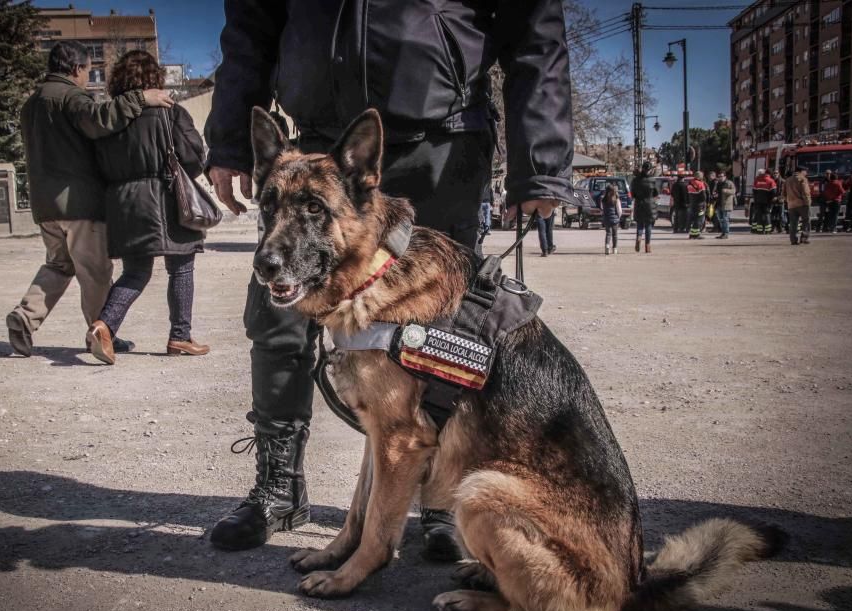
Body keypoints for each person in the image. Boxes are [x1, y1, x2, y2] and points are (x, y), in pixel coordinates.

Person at [204, 0, 575, 556]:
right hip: (322, 141)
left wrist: (541, 159)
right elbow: (250, 29)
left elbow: (535, 30)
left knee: (444, 340)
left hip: (443, 141)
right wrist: (231, 139)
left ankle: (438, 501)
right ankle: (279, 485)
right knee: (278, 320)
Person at [6, 41, 173, 357]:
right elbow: (99, 119)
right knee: (96, 272)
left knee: (58, 265)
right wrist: (141, 97)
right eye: (87, 70)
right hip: (79, 204)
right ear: (76, 69)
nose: (87, 77)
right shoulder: (70, 97)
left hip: (45, 206)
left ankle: (25, 317)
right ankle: (102, 332)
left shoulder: (32, 104)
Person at [85, 51, 210, 365]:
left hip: (123, 202)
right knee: (181, 268)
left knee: (135, 272)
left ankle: (104, 326)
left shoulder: (108, 118)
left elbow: (96, 165)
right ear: (156, 79)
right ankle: (180, 336)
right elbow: (194, 156)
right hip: (166, 196)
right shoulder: (171, 113)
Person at [629, 161, 657, 253]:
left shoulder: (635, 180)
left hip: (639, 204)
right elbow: (656, 193)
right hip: (649, 204)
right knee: (648, 225)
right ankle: (647, 246)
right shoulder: (652, 180)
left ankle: (639, 237)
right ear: (650, 170)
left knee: (640, 224)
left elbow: (632, 194)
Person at [784, 165, 812, 245]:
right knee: (806, 221)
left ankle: (793, 240)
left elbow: (784, 193)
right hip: (802, 204)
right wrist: (808, 203)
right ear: (801, 171)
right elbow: (806, 192)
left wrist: (789, 201)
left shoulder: (788, 180)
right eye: (805, 171)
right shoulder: (803, 179)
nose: (806, 173)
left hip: (791, 205)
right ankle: (804, 238)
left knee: (793, 223)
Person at [750, 168, 776, 235]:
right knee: (767, 214)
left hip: (758, 201)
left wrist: (756, 199)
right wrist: (771, 199)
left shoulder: (757, 180)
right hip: (767, 202)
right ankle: (768, 230)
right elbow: (774, 192)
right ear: (770, 174)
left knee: (759, 215)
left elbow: (754, 191)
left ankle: (759, 230)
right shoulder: (771, 181)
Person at [599, 184, 622, 254]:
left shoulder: (603, 199)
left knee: (608, 233)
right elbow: (619, 210)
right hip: (615, 219)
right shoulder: (616, 199)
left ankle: (607, 246)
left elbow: (602, 208)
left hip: (606, 219)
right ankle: (615, 249)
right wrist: (619, 217)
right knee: (615, 234)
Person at [713, 171, 736, 239]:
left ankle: (726, 233)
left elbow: (734, 191)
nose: (720, 178)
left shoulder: (729, 183)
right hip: (719, 204)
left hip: (726, 204)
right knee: (721, 220)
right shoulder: (718, 183)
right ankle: (722, 233)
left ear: (725, 177)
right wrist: (715, 194)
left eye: (721, 176)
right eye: (719, 176)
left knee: (725, 219)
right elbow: (715, 191)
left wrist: (726, 191)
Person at [686, 171, 708, 239]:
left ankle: (692, 234)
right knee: (699, 219)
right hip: (699, 205)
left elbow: (688, 194)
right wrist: (705, 202)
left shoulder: (689, 183)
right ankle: (696, 234)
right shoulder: (700, 184)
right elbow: (703, 195)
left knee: (694, 219)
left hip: (692, 204)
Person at [769, 169, 786, 233]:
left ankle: (782, 227)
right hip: (773, 201)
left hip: (780, 201)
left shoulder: (783, 181)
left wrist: (778, 197)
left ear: (779, 174)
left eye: (776, 173)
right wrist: (772, 198)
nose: (775, 174)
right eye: (774, 173)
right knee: (773, 215)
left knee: (781, 215)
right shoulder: (771, 181)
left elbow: (783, 192)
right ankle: (774, 228)